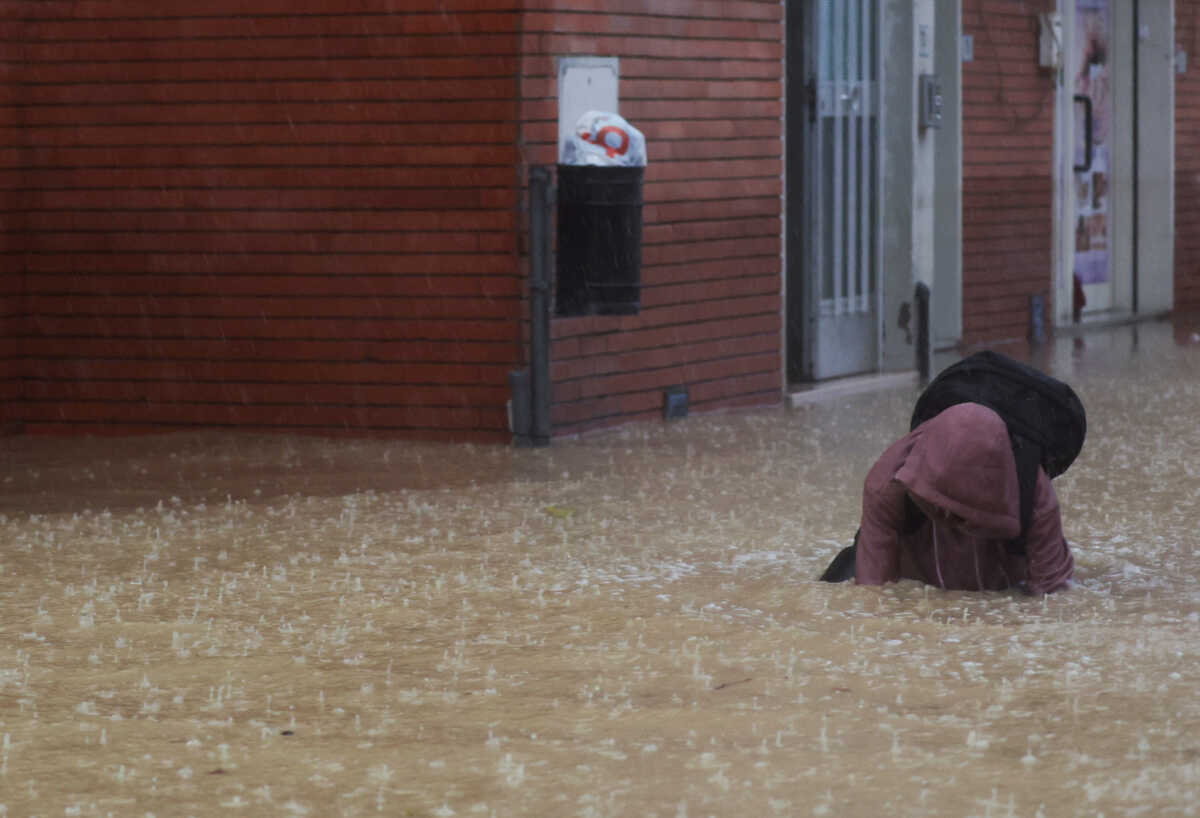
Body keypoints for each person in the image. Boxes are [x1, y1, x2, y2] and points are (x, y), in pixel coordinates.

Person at [851, 401, 1074, 593]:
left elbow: (1051, 597)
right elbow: (874, 593)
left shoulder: (1033, 495)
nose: (947, 515)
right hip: (923, 579)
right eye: (938, 502)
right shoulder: (889, 484)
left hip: (1005, 585)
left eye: (959, 509)